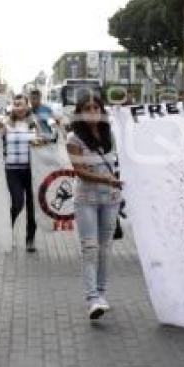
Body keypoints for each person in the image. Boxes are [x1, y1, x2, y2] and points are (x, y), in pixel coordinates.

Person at [66, 92, 123, 320]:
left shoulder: (111, 134)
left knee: (105, 249)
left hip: (111, 199)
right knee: (90, 248)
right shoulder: (74, 138)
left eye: (96, 107)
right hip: (86, 200)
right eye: (87, 108)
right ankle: (91, 298)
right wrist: (107, 180)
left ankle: (101, 294)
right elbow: (80, 171)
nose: (92, 112)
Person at [0, 94, 42, 252]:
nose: (17, 107)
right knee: (17, 203)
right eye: (15, 104)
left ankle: (30, 240)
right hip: (12, 170)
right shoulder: (6, 122)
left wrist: (38, 140)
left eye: (20, 104)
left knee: (32, 206)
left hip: (31, 170)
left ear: (27, 106)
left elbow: (41, 139)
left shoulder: (33, 122)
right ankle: (7, 233)